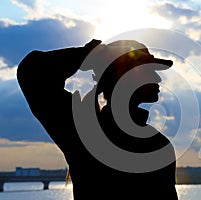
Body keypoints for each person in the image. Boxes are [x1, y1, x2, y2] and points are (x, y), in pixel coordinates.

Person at [17, 39, 178, 199]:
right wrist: (92, 55)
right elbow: (31, 71)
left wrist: (90, 56)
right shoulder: (85, 130)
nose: (158, 79)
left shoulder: (84, 130)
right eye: (148, 70)